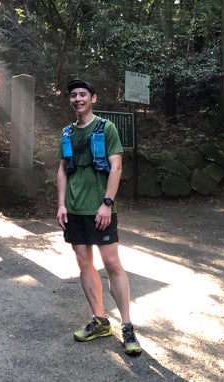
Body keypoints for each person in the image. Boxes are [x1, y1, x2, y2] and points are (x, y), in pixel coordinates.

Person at [56, 79, 142, 356]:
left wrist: (107, 203)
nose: (77, 99)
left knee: (112, 263)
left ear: (93, 98)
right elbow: (62, 170)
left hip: (100, 209)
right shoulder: (67, 132)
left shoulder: (106, 128)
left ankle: (127, 326)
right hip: (74, 209)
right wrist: (61, 204)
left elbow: (116, 168)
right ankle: (100, 320)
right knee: (84, 262)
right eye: (73, 95)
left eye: (83, 94)